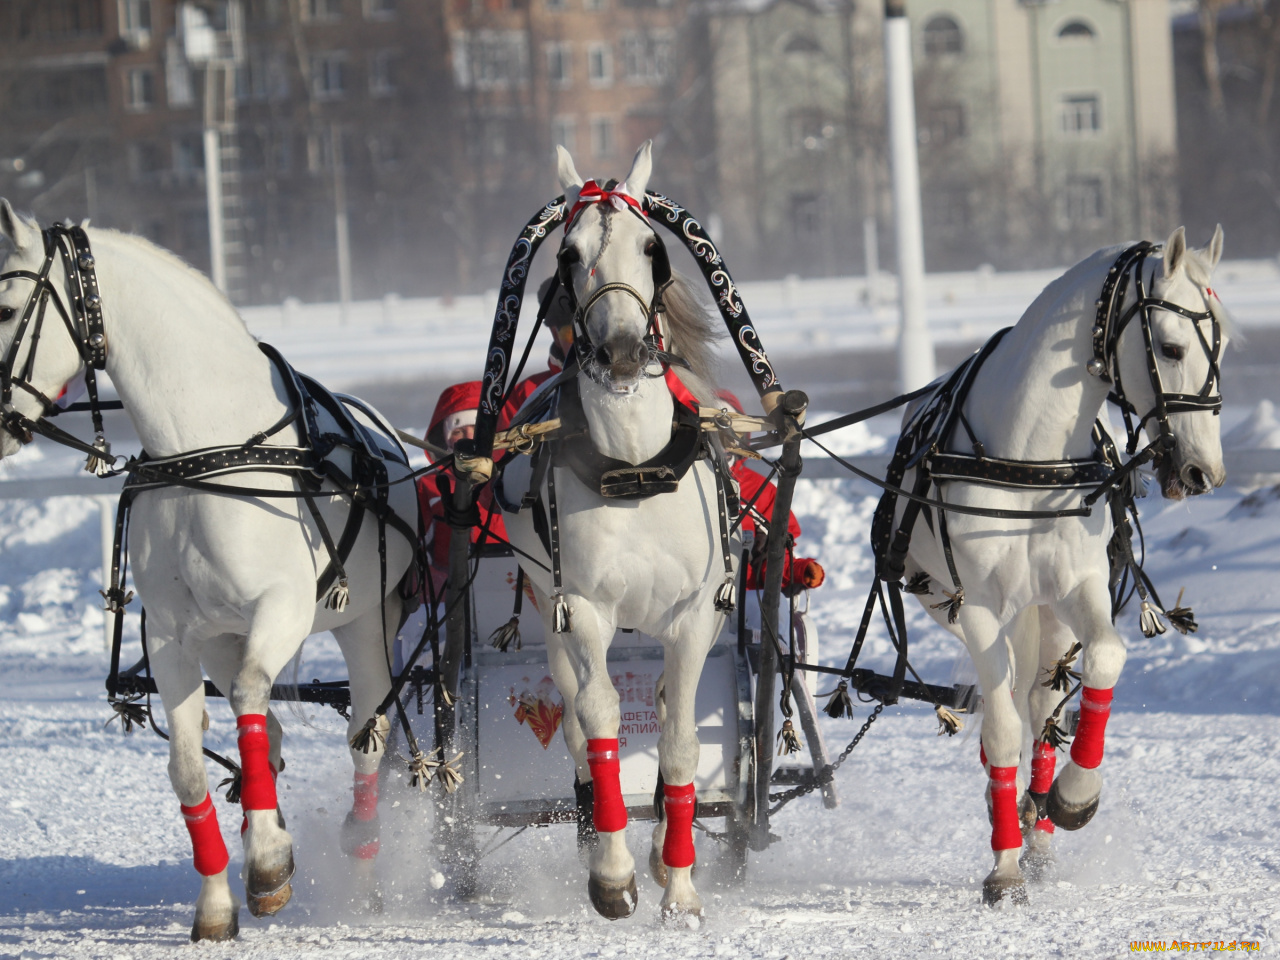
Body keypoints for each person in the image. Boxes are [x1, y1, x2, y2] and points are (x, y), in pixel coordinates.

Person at [717, 390, 825, 595]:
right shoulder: (673, 488)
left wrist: (797, 572)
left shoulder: (759, 490)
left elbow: (773, 555)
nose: (720, 441)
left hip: (744, 601)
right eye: (711, 434)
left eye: (727, 432)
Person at [417, 381, 507, 596]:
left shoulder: (513, 477)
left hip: (513, 587)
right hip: (447, 597)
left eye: (476, 428)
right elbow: (412, 553)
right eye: (458, 430)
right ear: (447, 439)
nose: (468, 437)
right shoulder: (428, 486)